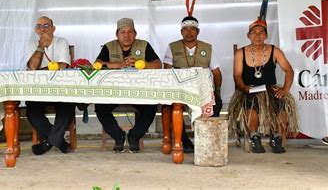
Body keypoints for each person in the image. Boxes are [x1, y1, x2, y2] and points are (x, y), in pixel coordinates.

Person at [228, 16, 298, 154]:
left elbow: (289, 70)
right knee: (251, 109)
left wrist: (285, 90)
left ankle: (276, 138)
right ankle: (255, 137)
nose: (257, 36)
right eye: (254, 33)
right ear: (248, 36)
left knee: (281, 108)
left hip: (270, 89)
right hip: (249, 89)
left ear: (266, 35)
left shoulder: (274, 51)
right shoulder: (241, 53)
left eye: (261, 33)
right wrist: (243, 88)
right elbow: (237, 75)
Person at [95, 18, 162, 153]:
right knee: (100, 107)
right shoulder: (109, 46)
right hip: (114, 92)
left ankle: (134, 136)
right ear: (117, 35)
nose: (126, 35)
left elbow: (158, 64)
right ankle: (118, 136)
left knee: (151, 107)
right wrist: (119, 64)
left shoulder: (143, 45)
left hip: (139, 91)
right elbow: (97, 64)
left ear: (135, 34)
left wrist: (142, 63)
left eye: (130, 32)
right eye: (123, 32)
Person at [163, 15, 223, 153]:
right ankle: (184, 141)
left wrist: (217, 91)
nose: (189, 33)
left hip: (202, 89)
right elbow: (166, 70)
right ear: (181, 32)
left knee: (216, 103)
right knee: (171, 106)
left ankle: (204, 139)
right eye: (185, 29)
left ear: (198, 31)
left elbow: (217, 72)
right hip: (179, 89)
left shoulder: (207, 48)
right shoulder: (172, 47)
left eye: (192, 29)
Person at [25, 16, 75, 155]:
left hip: (60, 89)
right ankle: (60, 142)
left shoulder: (61, 42)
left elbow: (62, 66)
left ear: (53, 28)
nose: (43, 29)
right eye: (39, 26)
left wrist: (40, 72)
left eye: (46, 26)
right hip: (39, 90)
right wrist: (40, 46)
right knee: (31, 111)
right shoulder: (32, 44)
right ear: (36, 30)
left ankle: (48, 143)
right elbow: (32, 67)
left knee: (68, 105)